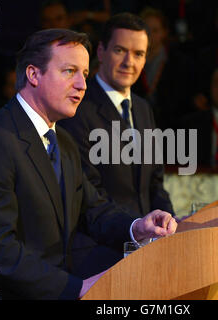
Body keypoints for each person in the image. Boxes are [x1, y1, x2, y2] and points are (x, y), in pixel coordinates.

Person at [0, 28, 177, 300]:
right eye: (70, 71)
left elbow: (93, 210)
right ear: (34, 75)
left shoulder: (65, 142)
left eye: (84, 73)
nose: (82, 84)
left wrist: (138, 226)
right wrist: (75, 287)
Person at [58, 13, 175, 274]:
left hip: (146, 256)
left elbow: (155, 183)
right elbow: (88, 195)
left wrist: (171, 225)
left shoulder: (144, 109)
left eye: (138, 54)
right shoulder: (77, 108)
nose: (128, 62)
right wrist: (135, 228)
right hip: (96, 258)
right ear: (101, 50)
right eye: (120, 50)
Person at [132, 7, 194, 129]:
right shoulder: (129, 61)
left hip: (171, 127)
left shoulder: (178, 62)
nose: (149, 35)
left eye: (155, 30)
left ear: (164, 33)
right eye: (146, 30)